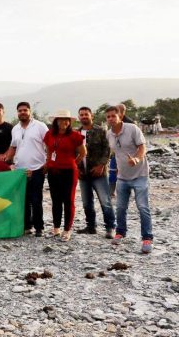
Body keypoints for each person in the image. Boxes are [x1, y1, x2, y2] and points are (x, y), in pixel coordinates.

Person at [106, 106, 153, 253]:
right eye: (108, 117)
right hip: (122, 177)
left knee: (142, 207)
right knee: (120, 207)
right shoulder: (109, 134)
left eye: (113, 116)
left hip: (140, 174)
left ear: (120, 116)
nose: (111, 119)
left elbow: (142, 147)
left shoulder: (132, 128)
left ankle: (147, 238)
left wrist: (137, 159)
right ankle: (120, 232)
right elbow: (113, 152)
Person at [5, 102, 49, 237]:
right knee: (23, 199)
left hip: (37, 168)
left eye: (25, 110)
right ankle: (27, 226)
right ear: (17, 113)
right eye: (20, 111)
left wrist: (47, 163)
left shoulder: (40, 126)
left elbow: (50, 145)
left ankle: (39, 227)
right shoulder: (15, 129)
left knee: (36, 199)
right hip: (20, 170)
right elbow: (13, 147)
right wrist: (6, 162)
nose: (22, 112)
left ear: (30, 112)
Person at [43, 111, 86, 242]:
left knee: (68, 200)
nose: (64, 122)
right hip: (53, 171)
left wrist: (73, 163)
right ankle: (56, 228)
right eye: (61, 120)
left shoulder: (75, 135)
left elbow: (83, 153)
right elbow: (49, 150)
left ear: (70, 121)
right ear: (56, 121)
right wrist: (49, 162)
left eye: (66, 120)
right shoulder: (49, 134)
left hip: (69, 172)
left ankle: (67, 230)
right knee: (55, 200)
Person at [76, 106, 115, 238]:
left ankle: (110, 227)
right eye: (81, 115)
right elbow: (73, 152)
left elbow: (108, 149)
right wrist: (76, 168)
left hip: (98, 173)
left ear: (91, 116)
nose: (84, 116)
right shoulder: (76, 133)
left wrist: (102, 165)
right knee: (87, 202)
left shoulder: (101, 130)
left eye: (86, 114)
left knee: (105, 201)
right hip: (83, 173)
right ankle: (91, 226)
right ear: (79, 117)